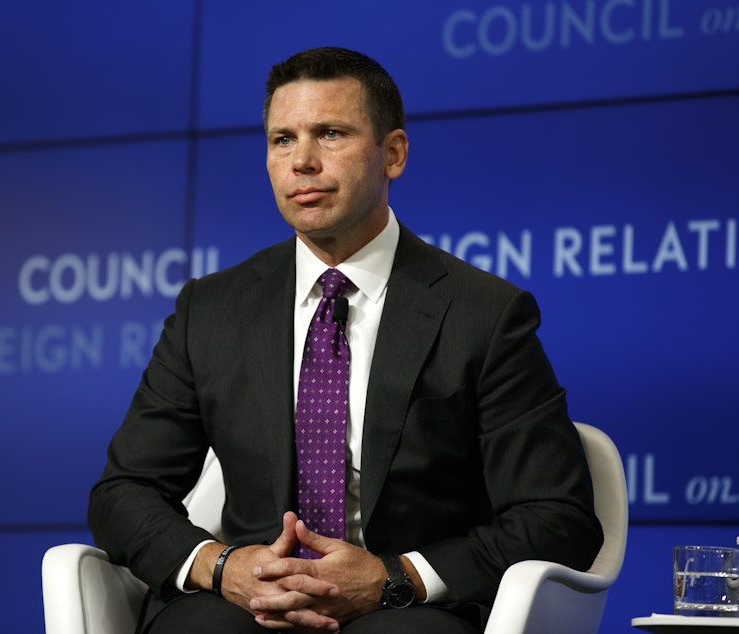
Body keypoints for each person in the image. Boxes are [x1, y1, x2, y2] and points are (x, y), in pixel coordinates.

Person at [88, 47, 603, 633]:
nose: (301, 161)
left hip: (408, 608)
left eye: (329, 134)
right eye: (282, 139)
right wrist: (222, 564)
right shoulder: (211, 310)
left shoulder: (484, 314)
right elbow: (123, 492)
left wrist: (394, 578)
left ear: (394, 154)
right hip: (245, 603)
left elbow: (558, 517)